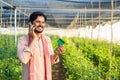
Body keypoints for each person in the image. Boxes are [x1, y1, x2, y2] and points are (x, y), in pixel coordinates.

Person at [17, 11, 65, 80]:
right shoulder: (22, 40)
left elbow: (50, 61)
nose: (41, 24)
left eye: (43, 22)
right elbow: (24, 59)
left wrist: (56, 54)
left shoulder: (47, 39)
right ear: (31, 24)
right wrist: (33, 39)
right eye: (38, 22)